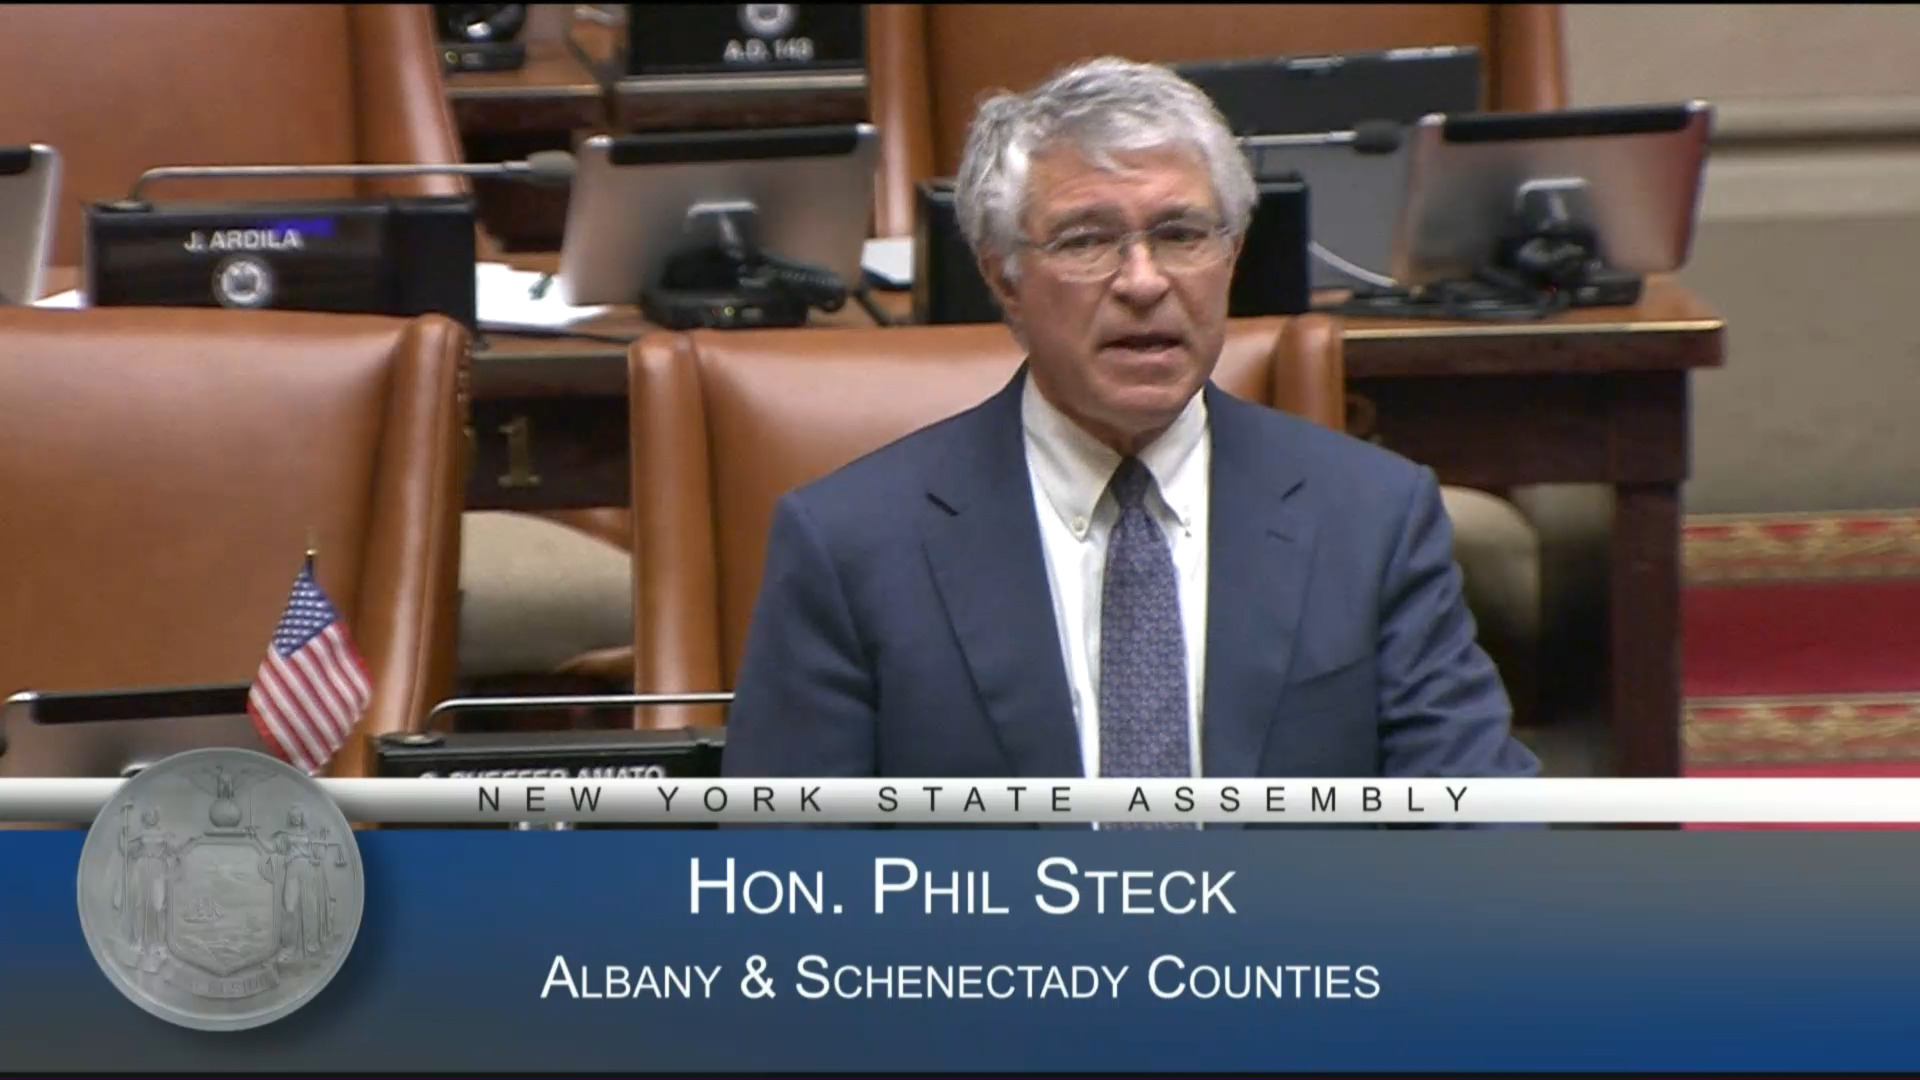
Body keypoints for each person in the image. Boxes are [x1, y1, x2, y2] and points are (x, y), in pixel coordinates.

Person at [721, 57, 1539, 783]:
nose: (1144, 282)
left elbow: (1479, 822)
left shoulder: (1373, 517)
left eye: (1181, 234)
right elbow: (786, 875)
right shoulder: (851, 547)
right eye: (1087, 241)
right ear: (1003, 277)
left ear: (1231, 255)